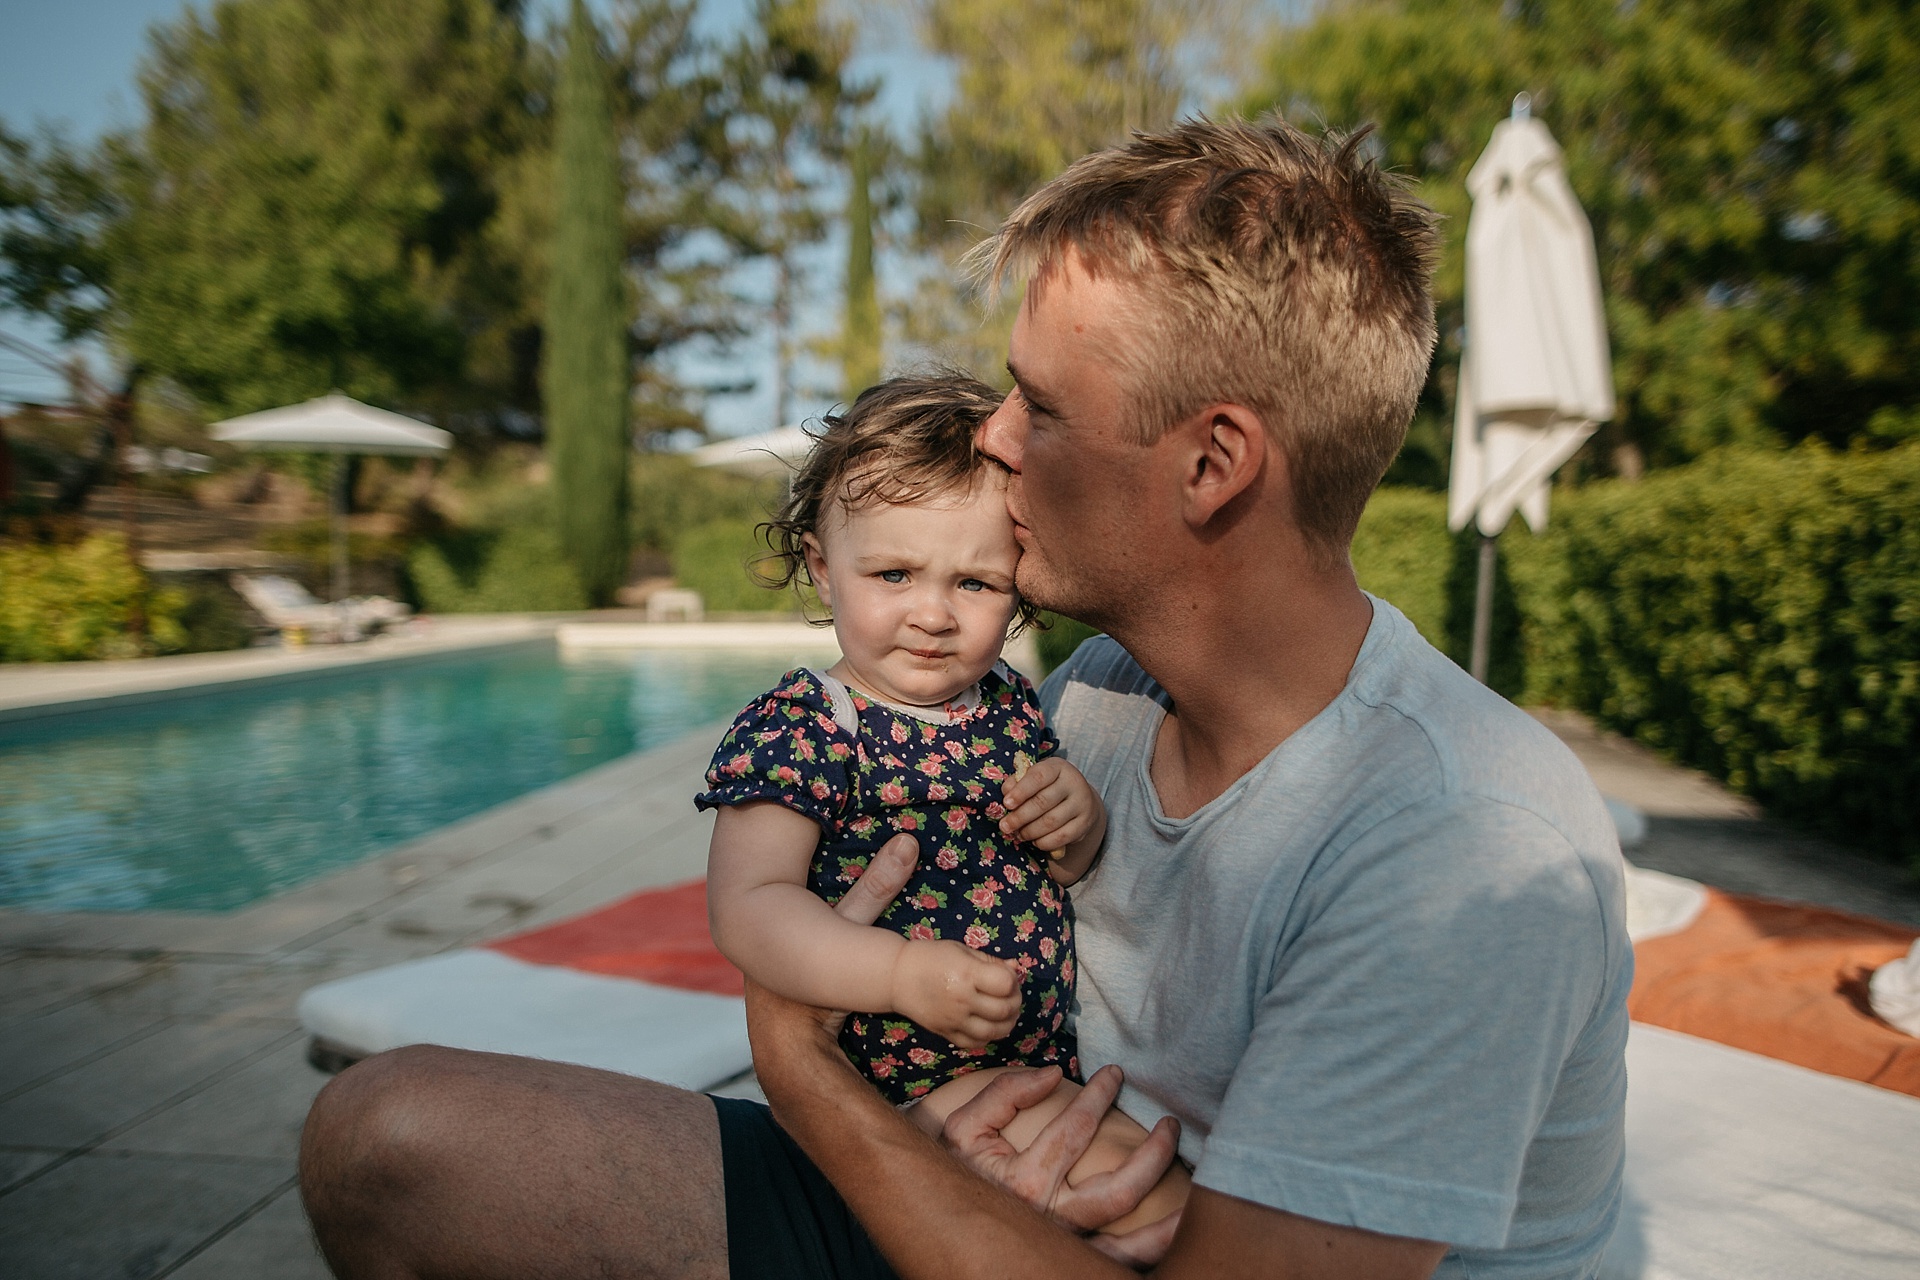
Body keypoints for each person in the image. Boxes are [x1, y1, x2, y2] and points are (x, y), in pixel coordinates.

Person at [299, 115, 1629, 1280]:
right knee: (386, 1138)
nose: (989, 435)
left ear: (1213, 462)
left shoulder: (1463, 846)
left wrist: (804, 1063)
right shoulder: (1099, 686)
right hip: (973, 1179)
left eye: (1039, 404)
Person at [693, 373, 1189, 1234]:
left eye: (976, 584)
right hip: (901, 1078)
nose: (932, 614)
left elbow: (1059, 867)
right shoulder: (810, 724)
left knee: (1148, 1204)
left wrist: (1078, 821)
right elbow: (748, 908)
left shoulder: (1005, 703)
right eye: (893, 572)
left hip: (1027, 1064)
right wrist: (898, 973)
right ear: (820, 565)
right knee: (1160, 1206)